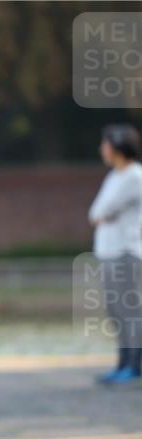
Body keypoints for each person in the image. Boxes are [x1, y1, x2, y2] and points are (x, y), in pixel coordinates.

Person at [90, 124, 142, 385]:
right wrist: (103, 215)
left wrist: (104, 215)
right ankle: (123, 361)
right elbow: (95, 212)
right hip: (107, 253)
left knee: (130, 310)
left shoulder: (134, 176)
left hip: (126, 252)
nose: (102, 149)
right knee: (116, 311)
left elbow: (105, 209)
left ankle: (135, 365)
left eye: (106, 144)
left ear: (118, 147)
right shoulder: (112, 177)